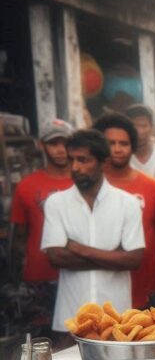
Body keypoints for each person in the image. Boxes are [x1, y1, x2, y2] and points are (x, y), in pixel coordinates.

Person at [41, 129, 144, 332]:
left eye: (83, 160)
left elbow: (133, 260)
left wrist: (79, 248)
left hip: (117, 318)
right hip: (71, 316)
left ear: (103, 163)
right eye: (72, 160)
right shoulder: (56, 203)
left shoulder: (128, 203)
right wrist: (114, 257)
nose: (75, 167)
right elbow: (57, 258)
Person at [93, 113, 155, 309]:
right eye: (111, 143)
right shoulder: (88, 188)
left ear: (132, 147)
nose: (117, 149)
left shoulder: (154, 187)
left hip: (146, 292)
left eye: (123, 143)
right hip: (99, 291)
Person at [10, 119, 74, 331]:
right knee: (40, 341)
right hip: (38, 278)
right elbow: (20, 236)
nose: (60, 149)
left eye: (65, 143)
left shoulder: (84, 183)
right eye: (53, 143)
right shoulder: (26, 186)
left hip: (77, 275)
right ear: (41, 145)